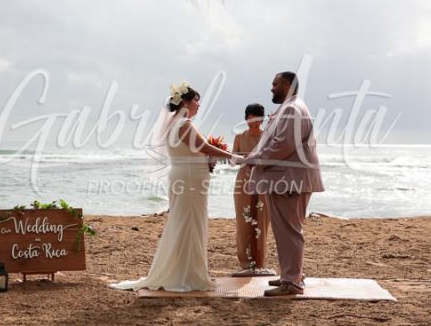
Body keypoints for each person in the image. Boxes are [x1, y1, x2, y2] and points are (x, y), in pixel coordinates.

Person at [111, 82, 241, 292]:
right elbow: (202, 146)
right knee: (189, 222)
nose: (199, 105)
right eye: (196, 100)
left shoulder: (172, 123)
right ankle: (188, 274)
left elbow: (188, 151)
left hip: (183, 175)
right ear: (185, 102)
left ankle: (188, 271)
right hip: (189, 179)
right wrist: (231, 156)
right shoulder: (184, 124)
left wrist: (205, 160)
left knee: (184, 221)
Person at [241, 72, 324, 296]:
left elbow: (282, 145)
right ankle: (291, 274)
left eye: (275, 84)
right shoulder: (293, 107)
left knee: (289, 230)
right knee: (287, 230)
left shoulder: (291, 109)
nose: (271, 88)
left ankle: (292, 283)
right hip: (289, 179)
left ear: (287, 85)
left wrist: (253, 159)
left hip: (288, 180)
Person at [230, 103, 274, 277]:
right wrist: (242, 159)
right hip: (244, 182)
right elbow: (232, 160)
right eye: (250, 120)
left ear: (262, 119)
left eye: (257, 120)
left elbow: (272, 158)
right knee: (243, 221)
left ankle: (260, 263)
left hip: (263, 181)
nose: (254, 124)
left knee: (262, 221)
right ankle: (245, 263)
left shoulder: (268, 136)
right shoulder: (240, 137)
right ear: (246, 119)